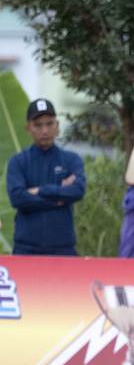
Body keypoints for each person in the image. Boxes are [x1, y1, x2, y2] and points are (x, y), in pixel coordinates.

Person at [6, 99, 86, 255]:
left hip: (63, 251)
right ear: (28, 128)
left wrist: (39, 191)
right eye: (38, 125)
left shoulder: (71, 160)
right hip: (26, 250)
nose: (45, 131)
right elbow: (18, 198)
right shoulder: (18, 162)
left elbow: (77, 191)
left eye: (49, 124)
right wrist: (59, 199)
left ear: (57, 125)